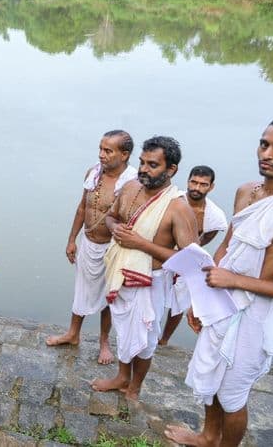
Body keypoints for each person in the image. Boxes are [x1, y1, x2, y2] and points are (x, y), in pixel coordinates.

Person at [166, 117, 273, 447]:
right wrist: (201, 298)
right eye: (264, 144)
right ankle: (208, 437)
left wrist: (235, 280)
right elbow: (226, 247)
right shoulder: (246, 192)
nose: (268, 154)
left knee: (232, 394)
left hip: (252, 316)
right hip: (219, 300)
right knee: (210, 375)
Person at [92, 136, 197, 400]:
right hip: (121, 272)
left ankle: (135, 387)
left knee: (146, 342)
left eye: (153, 165)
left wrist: (140, 243)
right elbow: (112, 218)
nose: (143, 169)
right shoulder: (129, 188)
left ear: (171, 169)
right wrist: (116, 229)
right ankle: (121, 377)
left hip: (152, 281)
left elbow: (190, 261)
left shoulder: (178, 208)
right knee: (125, 332)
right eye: (142, 162)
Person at [46, 130, 137, 365]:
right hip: (88, 243)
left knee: (109, 296)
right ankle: (73, 333)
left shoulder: (132, 184)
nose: (101, 155)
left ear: (125, 154)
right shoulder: (93, 173)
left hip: (113, 249)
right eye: (100, 149)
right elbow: (82, 208)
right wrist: (71, 239)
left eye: (108, 151)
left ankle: (104, 341)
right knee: (82, 289)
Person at [160, 165, 227, 346]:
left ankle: (164, 340)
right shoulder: (171, 200)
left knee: (180, 299)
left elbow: (202, 241)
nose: (196, 188)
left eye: (203, 184)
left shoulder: (214, 217)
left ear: (211, 187)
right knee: (153, 293)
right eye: (194, 182)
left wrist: (181, 255)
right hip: (159, 252)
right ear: (188, 181)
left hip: (187, 257)